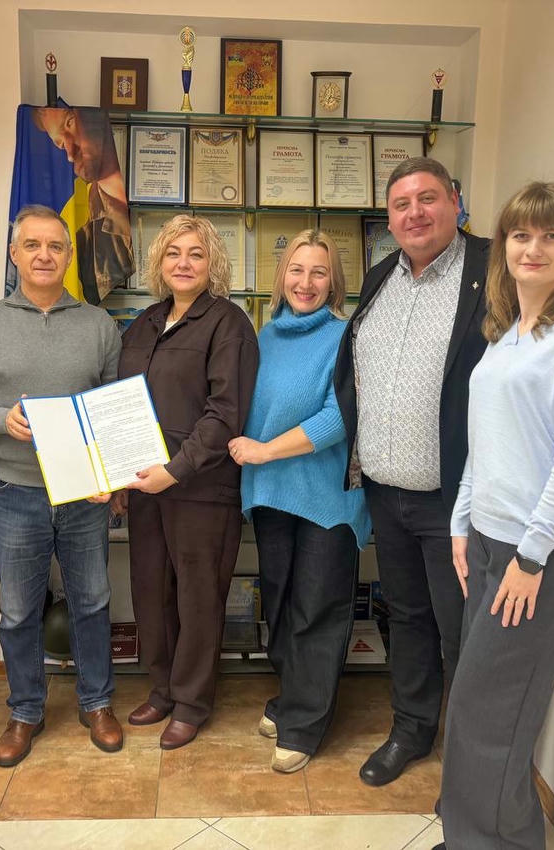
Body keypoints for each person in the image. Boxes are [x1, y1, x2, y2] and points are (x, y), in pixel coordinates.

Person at [437, 182, 554, 849]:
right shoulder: (506, 336)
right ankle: (471, 837)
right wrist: (461, 524)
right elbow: (485, 443)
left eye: (550, 235)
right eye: (520, 234)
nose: (532, 247)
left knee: (492, 717)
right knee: (475, 709)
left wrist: (531, 555)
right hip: (490, 543)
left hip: (540, 557)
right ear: (503, 247)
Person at [0, 204, 123, 766]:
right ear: (14, 254)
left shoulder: (99, 325)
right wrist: (1, 420)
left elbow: (113, 408)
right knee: (18, 611)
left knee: (92, 601)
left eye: (55, 246)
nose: (44, 255)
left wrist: (113, 478)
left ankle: (97, 702)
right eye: (32, 245)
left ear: (69, 256)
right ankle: (25, 710)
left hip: (84, 492)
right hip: (14, 489)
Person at [333, 156, 490, 786]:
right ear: (389, 218)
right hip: (385, 490)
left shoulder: (491, 271)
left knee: (463, 630)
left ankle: (475, 762)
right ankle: (411, 730)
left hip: (454, 499)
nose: (415, 213)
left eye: (428, 198)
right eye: (401, 204)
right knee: (407, 618)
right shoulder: (381, 276)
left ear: (455, 201)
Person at [227, 230, 371, 773]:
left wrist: (265, 451)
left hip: (326, 499)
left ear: (334, 281)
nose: (305, 282)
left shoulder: (347, 337)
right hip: (271, 496)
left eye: (318, 272)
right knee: (284, 603)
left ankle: (304, 726)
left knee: (318, 608)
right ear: (281, 276)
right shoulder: (265, 336)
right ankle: (294, 698)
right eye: (296, 269)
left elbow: (340, 417)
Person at [114, 214, 258, 750]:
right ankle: (162, 689)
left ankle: (193, 702)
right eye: (174, 252)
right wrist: (118, 475)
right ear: (159, 262)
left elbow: (226, 412)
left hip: (201, 487)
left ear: (212, 263)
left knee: (198, 598)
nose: (184, 263)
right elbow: (120, 404)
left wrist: (174, 470)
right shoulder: (144, 323)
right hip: (144, 486)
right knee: (151, 591)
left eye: (196, 253)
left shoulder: (228, 324)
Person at [31, 106, 133, 301]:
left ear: (97, 123)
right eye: (61, 144)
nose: (70, 153)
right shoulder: (81, 231)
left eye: (70, 124)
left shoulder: (107, 215)